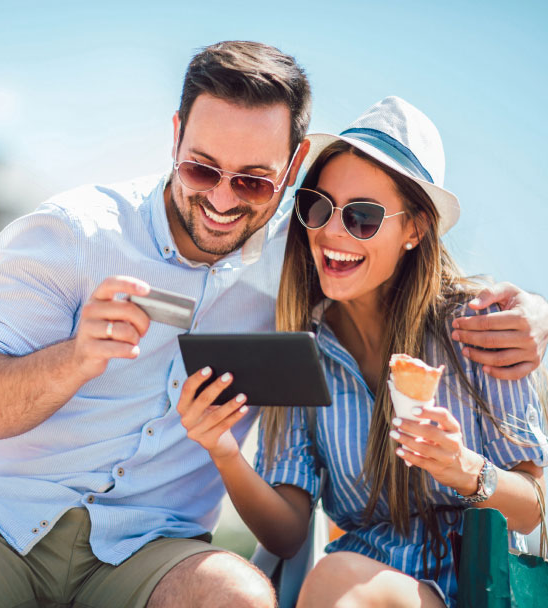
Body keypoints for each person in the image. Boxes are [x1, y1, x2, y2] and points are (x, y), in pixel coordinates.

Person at [0, 40, 545, 608]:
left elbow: (533, 499)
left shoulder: (321, 269)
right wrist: (76, 358)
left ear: (290, 169)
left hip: (150, 551)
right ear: (175, 136)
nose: (225, 200)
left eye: (253, 180)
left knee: (249, 596)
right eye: (202, 170)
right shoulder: (76, 235)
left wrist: (541, 318)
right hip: (3, 523)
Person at [177, 96, 548, 608]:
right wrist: (222, 451)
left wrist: (463, 468)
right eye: (318, 207)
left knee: (334, 579)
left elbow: (534, 510)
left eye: (364, 217)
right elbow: (286, 534)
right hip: (348, 585)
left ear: (415, 229)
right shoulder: (302, 349)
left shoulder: (480, 329)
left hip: (474, 589)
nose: (332, 231)